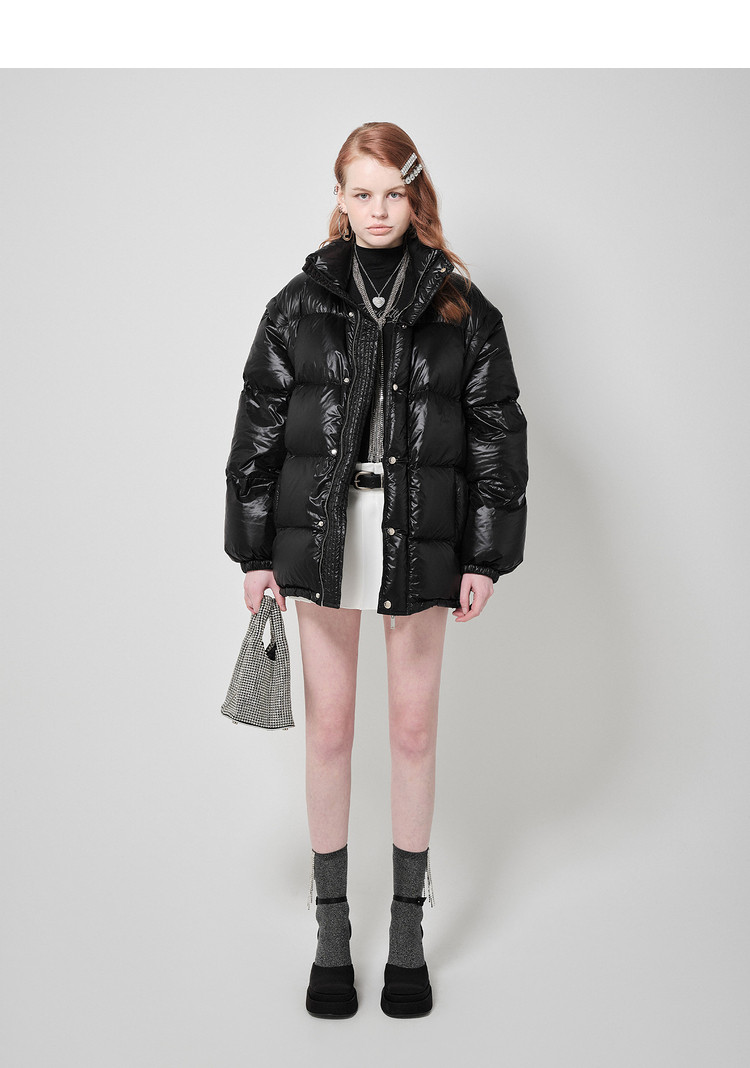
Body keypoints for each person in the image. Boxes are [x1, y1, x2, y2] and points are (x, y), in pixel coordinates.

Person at [224, 122, 528, 1019]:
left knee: (413, 734)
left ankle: (405, 933)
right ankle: (330, 933)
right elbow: (258, 430)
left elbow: (497, 436)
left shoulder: (463, 312)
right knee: (328, 734)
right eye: (361, 193)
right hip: (323, 533)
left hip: (420, 533)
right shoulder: (297, 304)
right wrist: (253, 551)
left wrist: (485, 556)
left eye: (392, 192)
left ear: (414, 194)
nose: (377, 210)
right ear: (340, 198)